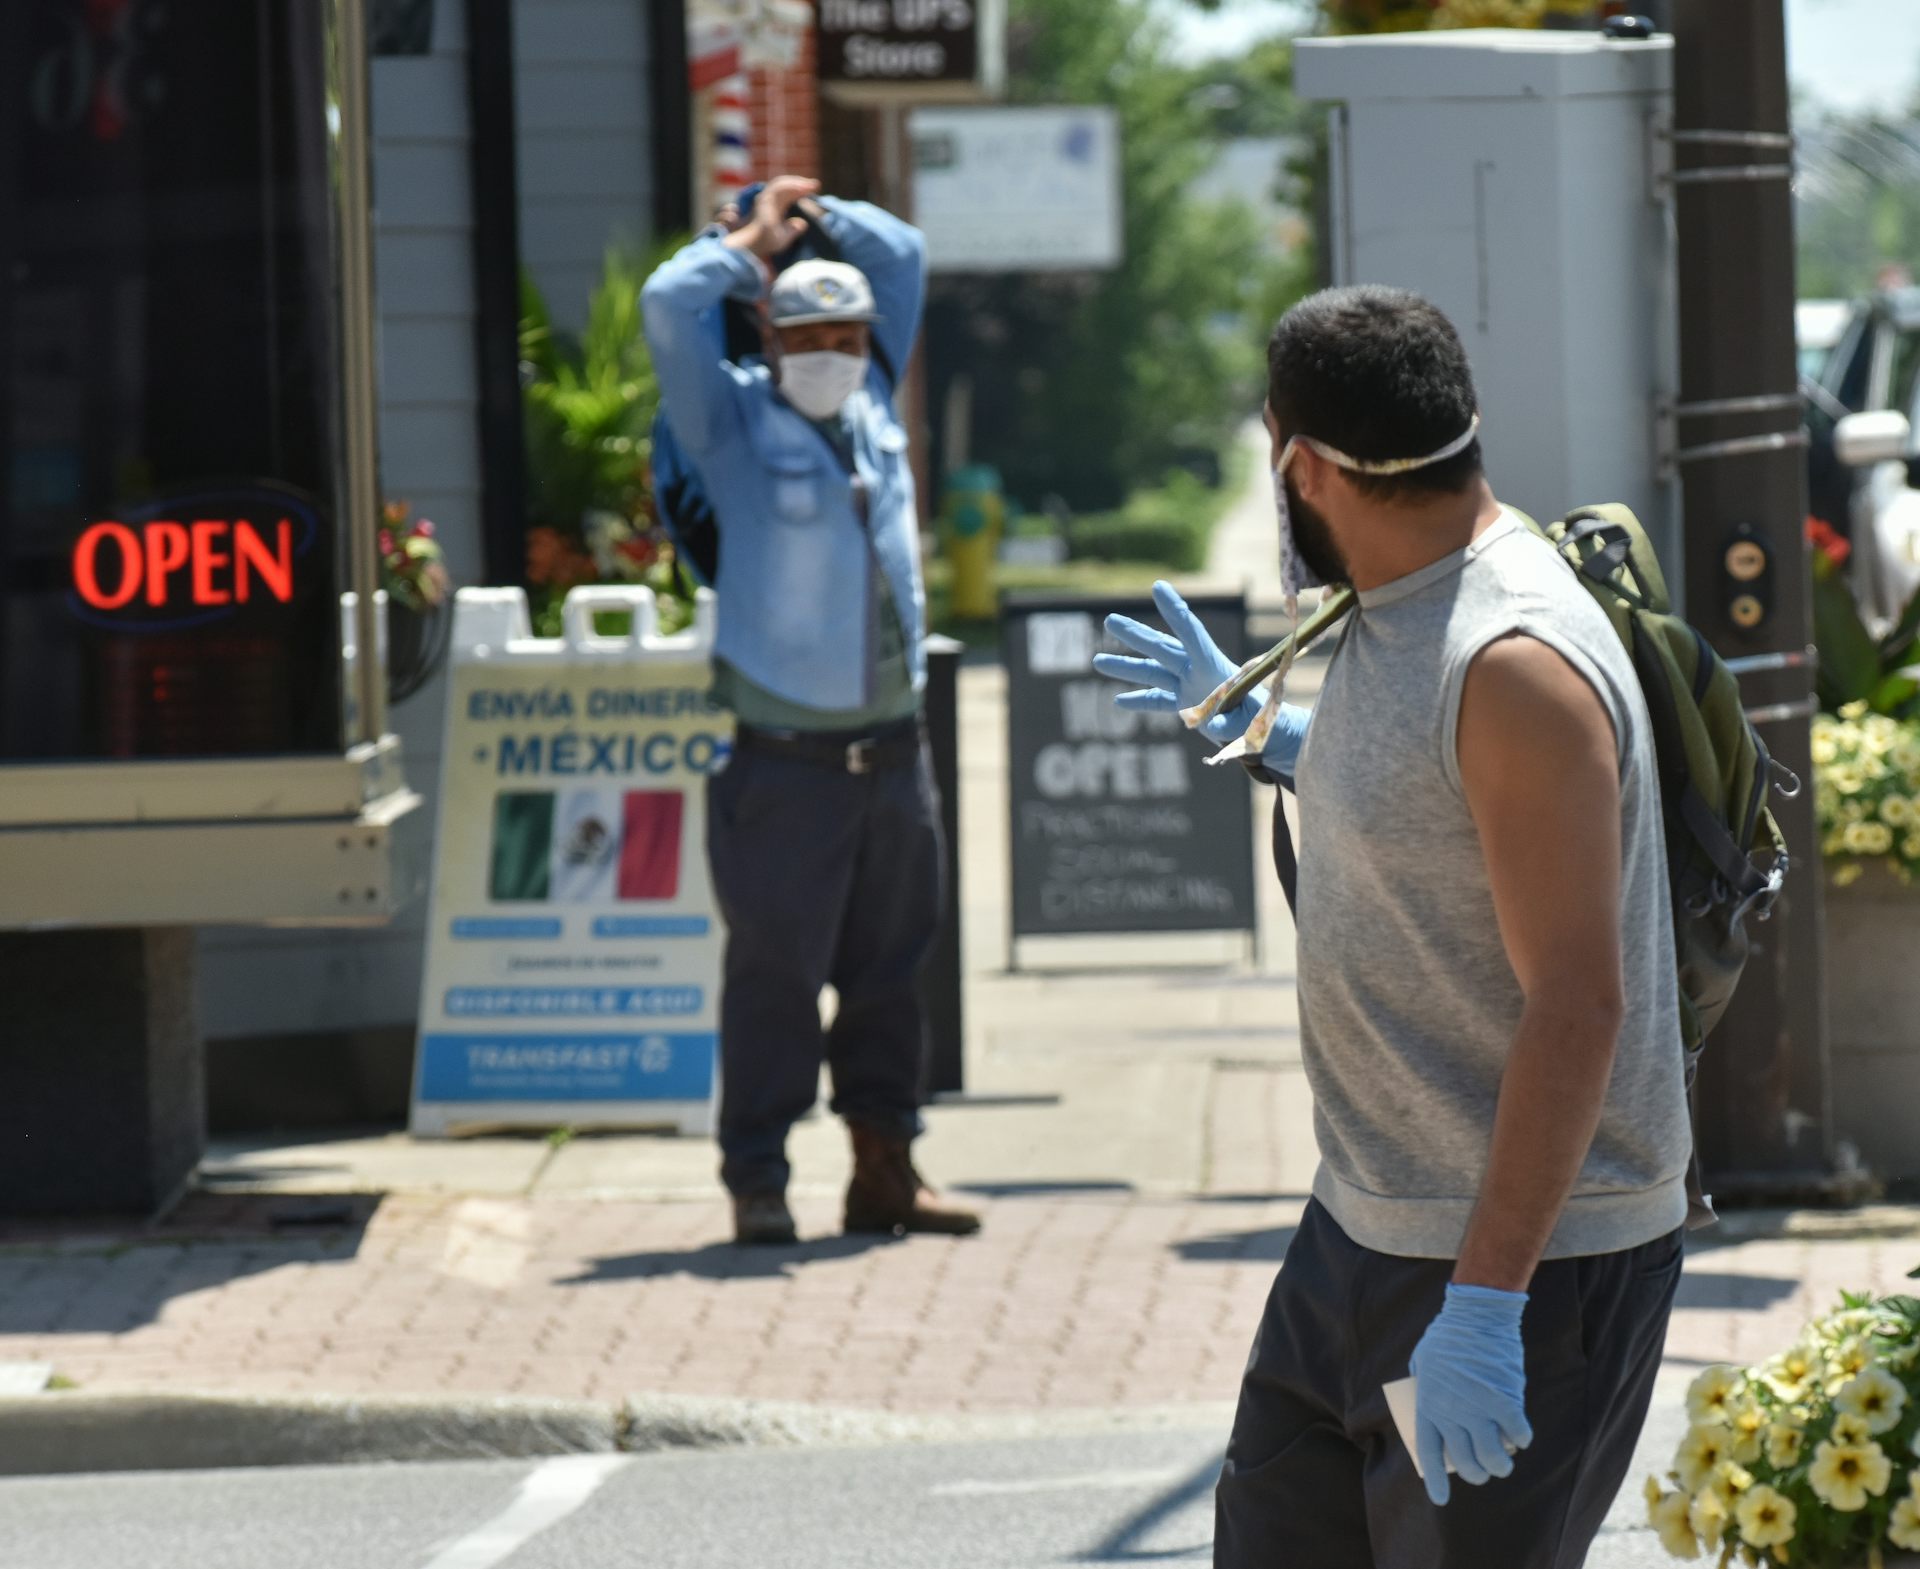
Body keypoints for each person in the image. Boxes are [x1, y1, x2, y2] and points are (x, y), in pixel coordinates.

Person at [1098, 286, 1690, 1569]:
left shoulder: (1512, 655)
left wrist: (1483, 1306)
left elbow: (1581, 1002)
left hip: (1517, 1268)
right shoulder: (1399, 594)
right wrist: (1269, 735)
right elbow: (1439, 802)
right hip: (1359, 1233)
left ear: (1300, 463)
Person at [640, 177, 979, 1248]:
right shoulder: (726, 416)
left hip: (892, 753)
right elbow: (664, 301)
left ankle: (887, 1168)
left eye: (846, 328)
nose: (830, 346)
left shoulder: (875, 393)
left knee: (891, 972)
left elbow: (907, 256)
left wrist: (824, 210)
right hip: (782, 763)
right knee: (776, 980)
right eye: (808, 329)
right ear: (769, 333)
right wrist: (751, 239)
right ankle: (758, 1178)